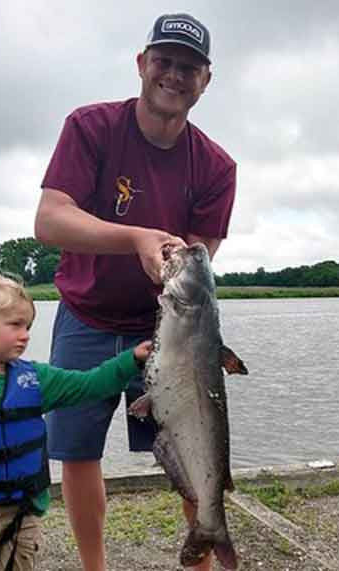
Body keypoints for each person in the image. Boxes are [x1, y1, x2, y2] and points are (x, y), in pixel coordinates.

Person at [33, 11, 236, 571]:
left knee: (191, 442)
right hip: (86, 315)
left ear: (206, 79)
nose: (174, 75)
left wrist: (173, 265)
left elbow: (199, 261)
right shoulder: (91, 127)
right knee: (76, 453)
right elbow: (50, 220)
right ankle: (93, 566)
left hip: (168, 331)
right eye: (165, 61)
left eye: (189, 67)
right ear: (142, 64)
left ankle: (201, 557)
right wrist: (136, 238)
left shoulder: (216, 165)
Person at [0, 273, 151, 571]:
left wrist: (131, 360)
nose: (26, 334)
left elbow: (90, 385)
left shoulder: (37, 380)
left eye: (28, 326)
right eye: (15, 325)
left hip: (25, 514)